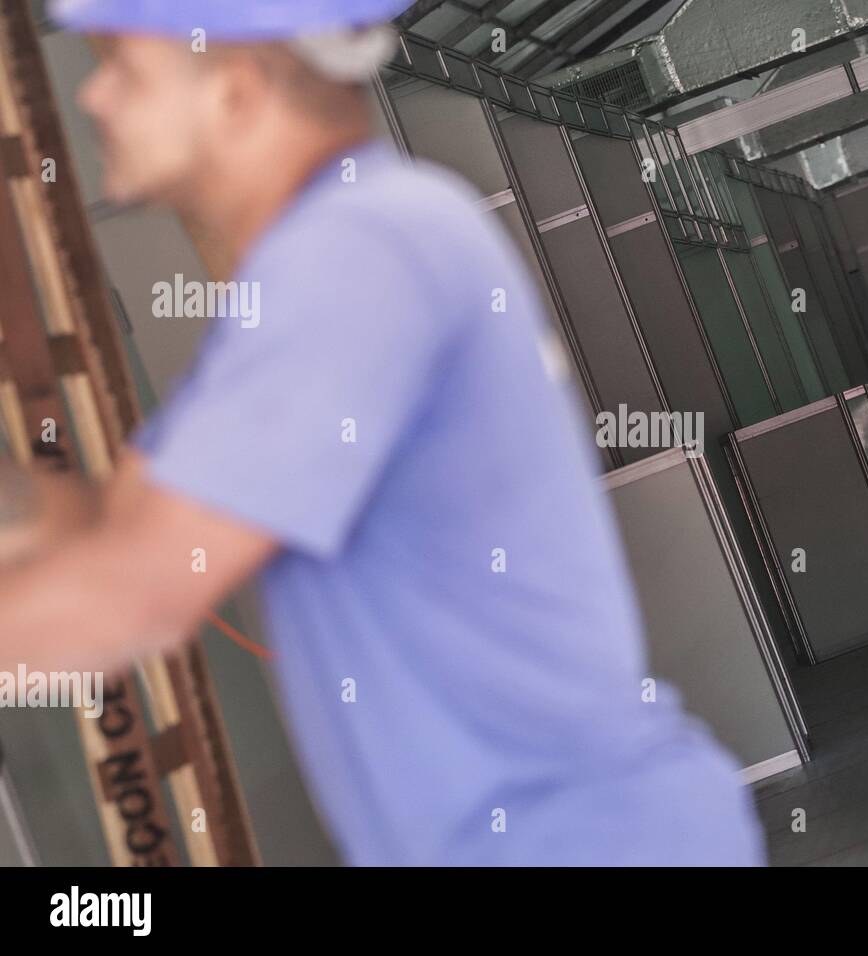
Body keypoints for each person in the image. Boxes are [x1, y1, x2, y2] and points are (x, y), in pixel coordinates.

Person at [0, 0, 764, 866]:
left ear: (236, 89)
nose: (93, 98)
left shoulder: (358, 254)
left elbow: (125, 598)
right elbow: (119, 530)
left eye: (123, 68)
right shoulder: (349, 250)